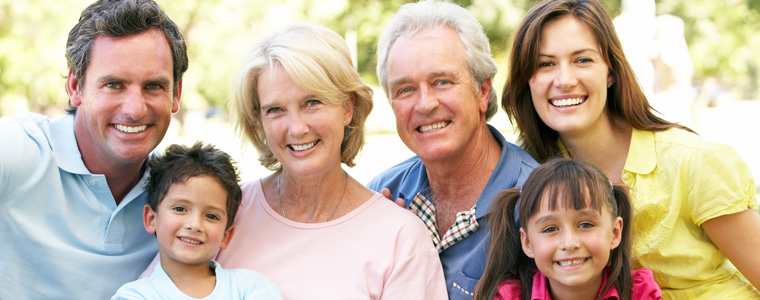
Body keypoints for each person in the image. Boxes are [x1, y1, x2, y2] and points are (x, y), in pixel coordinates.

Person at [502, 0, 760, 298]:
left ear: (610, 71)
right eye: (545, 64)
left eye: (582, 60)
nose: (565, 80)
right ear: (526, 81)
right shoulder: (529, 177)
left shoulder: (690, 162)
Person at [217, 22, 447, 299]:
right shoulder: (223, 211)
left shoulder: (402, 238)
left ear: (348, 107)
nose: (297, 127)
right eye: (275, 110)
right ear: (259, 120)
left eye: (312, 102)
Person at [0, 0, 188, 298]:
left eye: (153, 86)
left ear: (176, 94)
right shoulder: (19, 151)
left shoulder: (182, 199)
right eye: (114, 84)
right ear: (76, 87)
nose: (135, 109)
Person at [368, 1, 539, 298]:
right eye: (405, 89)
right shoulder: (381, 197)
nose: (425, 104)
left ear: (482, 91)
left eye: (442, 82)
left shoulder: (539, 200)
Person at [474, 158, 662, 300]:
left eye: (586, 225)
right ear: (527, 242)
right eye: (550, 229)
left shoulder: (639, 293)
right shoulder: (510, 297)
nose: (569, 243)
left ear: (614, 233)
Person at [112, 142, 282, 299]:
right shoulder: (135, 295)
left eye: (211, 216)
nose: (194, 225)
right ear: (151, 219)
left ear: (225, 236)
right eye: (180, 209)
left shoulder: (250, 288)